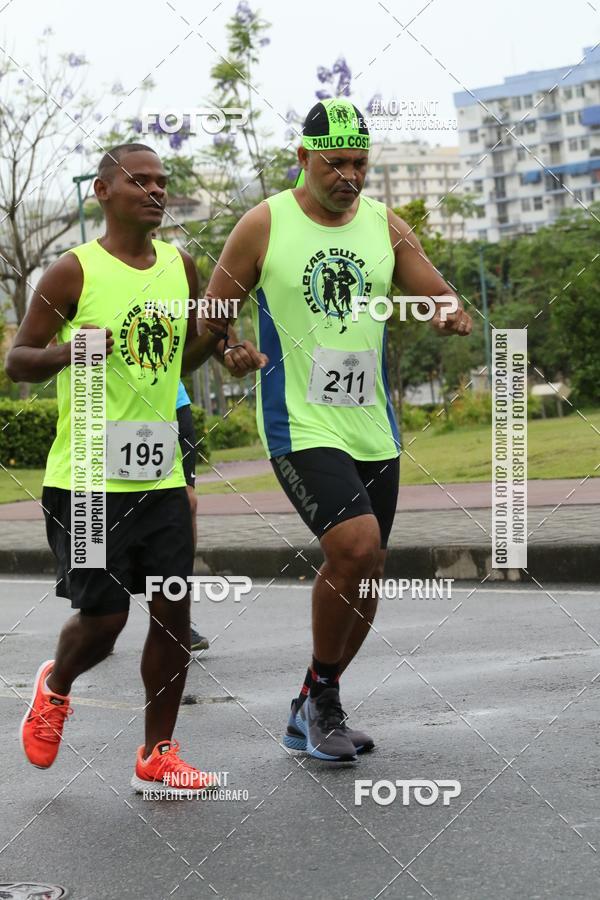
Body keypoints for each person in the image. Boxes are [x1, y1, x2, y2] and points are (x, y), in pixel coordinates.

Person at [201, 99, 472, 762]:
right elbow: (214, 313)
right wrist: (229, 347)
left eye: (359, 163)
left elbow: (436, 289)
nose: (349, 176)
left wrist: (448, 310)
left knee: (370, 569)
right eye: (335, 163)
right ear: (303, 158)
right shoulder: (265, 224)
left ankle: (314, 699)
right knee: (354, 545)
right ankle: (321, 704)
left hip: (372, 425)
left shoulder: (385, 225)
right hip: (299, 421)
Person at [6, 142, 265, 791]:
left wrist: (224, 349)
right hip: (88, 481)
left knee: (172, 616)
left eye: (161, 182)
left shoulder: (181, 266)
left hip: (160, 476)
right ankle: (56, 684)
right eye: (139, 181)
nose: (155, 191)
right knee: (104, 622)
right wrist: (71, 351)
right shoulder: (73, 271)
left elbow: (181, 359)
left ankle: (158, 752)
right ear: (102, 192)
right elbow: (18, 360)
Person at [175, 379, 209, 653]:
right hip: (110, 407)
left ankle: (179, 619)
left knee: (187, 503)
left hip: (171, 402)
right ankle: (100, 612)